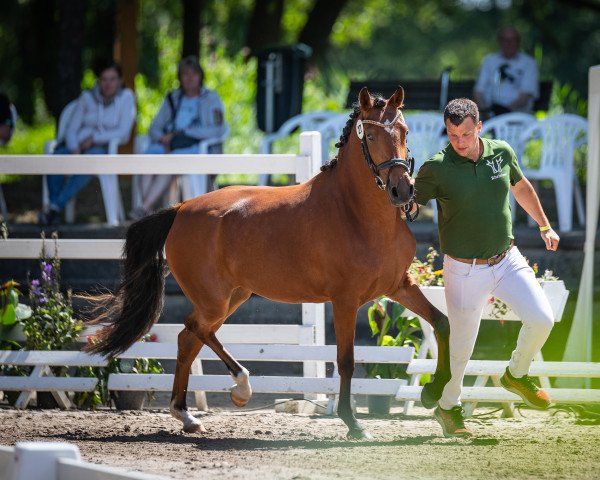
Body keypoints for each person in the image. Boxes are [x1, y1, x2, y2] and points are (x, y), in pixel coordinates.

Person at [410, 98, 559, 438]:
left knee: (542, 319)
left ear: (479, 127)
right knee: (461, 349)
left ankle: (516, 374)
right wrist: (403, 199)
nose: (458, 141)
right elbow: (411, 205)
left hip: (506, 258)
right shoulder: (436, 167)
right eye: (451, 134)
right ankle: (449, 409)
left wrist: (544, 225)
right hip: (463, 270)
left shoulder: (502, 152)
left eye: (465, 134)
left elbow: (520, 187)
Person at [39, 60, 136, 226]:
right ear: (99, 80)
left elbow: (123, 132)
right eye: (104, 79)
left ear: (120, 80)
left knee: (92, 160)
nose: (108, 84)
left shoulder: (127, 98)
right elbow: (71, 129)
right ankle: (55, 208)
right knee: (55, 159)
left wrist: (94, 139)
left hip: (100, 149)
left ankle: (54, 207)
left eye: (112, 79)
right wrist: (75, 149)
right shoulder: (87, 98)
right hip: (75, 146)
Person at [130, 55, 226, 220]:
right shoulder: (173, 98)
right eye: (185, 74)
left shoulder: (211, 98)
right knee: (148, 159)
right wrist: (163, 139)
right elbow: (155, 127)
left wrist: (183, 134)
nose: (189, 78)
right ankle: (148, 210)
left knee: (172, 162)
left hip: (197, 148)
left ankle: (144, 210)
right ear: (180, 77)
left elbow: (217, 130)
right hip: (168, 145)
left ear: (200, 76)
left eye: (193, 74)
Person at [474, 26, 539, 117]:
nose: (508, 43)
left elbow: (525, 97)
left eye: (512, 40)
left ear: (519, 42)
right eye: (505, 40)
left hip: (517, 115)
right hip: (489, 115)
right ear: (499, 42)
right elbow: (479, 91)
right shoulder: (489, 61)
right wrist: (486, 111)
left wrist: (504, 113)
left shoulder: (528, 63)